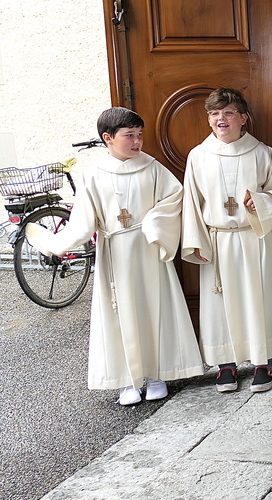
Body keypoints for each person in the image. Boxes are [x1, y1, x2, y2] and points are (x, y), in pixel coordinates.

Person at [26, 107, 203, 405]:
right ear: (108, 138)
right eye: (129, 136)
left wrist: (153, 223)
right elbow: (82, 222)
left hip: (148, 249)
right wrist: (58, 244)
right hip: (116, 254)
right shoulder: (93, 175)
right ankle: (127, 380)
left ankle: (156, 373)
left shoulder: (153, 168)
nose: (137, 142)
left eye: (139, 135)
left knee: (152, 308)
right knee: (119, 313)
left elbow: (174, 198)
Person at [181, 87, 272, 393]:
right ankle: (226, 365)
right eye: (215, 113)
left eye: (229, 112)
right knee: (220, 304)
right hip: (218, 241)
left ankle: (263, 361)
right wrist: (196, 241)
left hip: (254, 236)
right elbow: (192, 202)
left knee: (259, 299)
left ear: (243, 118)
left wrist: (257, 204)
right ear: (209, 120)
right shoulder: (198, 155)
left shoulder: (262, 152)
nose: (221, 118)